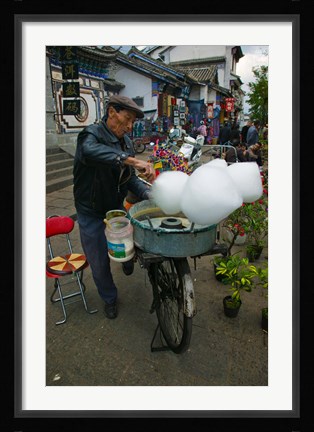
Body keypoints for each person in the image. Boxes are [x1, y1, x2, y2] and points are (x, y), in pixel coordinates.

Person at [73, 95, 156, 319]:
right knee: (99, 261)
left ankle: (127, 259)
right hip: (90, 210)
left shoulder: (126, 142)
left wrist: (149, 194)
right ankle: (109, 298)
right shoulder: (90, 135)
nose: (129, 127)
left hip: (114, 207)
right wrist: (131, 160)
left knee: (126, 242)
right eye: (127, 119)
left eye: (133, 123)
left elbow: (129, 178)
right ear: (112, 112)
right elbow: (91, 152)